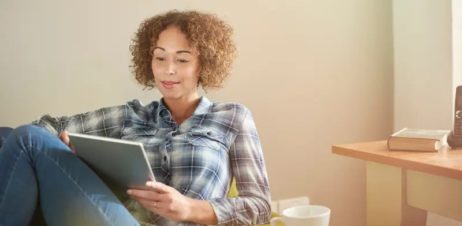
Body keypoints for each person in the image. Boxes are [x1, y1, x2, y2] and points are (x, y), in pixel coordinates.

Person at [0, 10, 271, 226]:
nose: (168, 70)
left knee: (25, 139)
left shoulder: (231, 117)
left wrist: (189, 208)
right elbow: (47, 127)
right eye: (159, 58)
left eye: (183, 60)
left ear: (204, 64)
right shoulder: (132, 116)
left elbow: (260, 206)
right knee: (12, 135)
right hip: (115, 218)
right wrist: (63, 142)